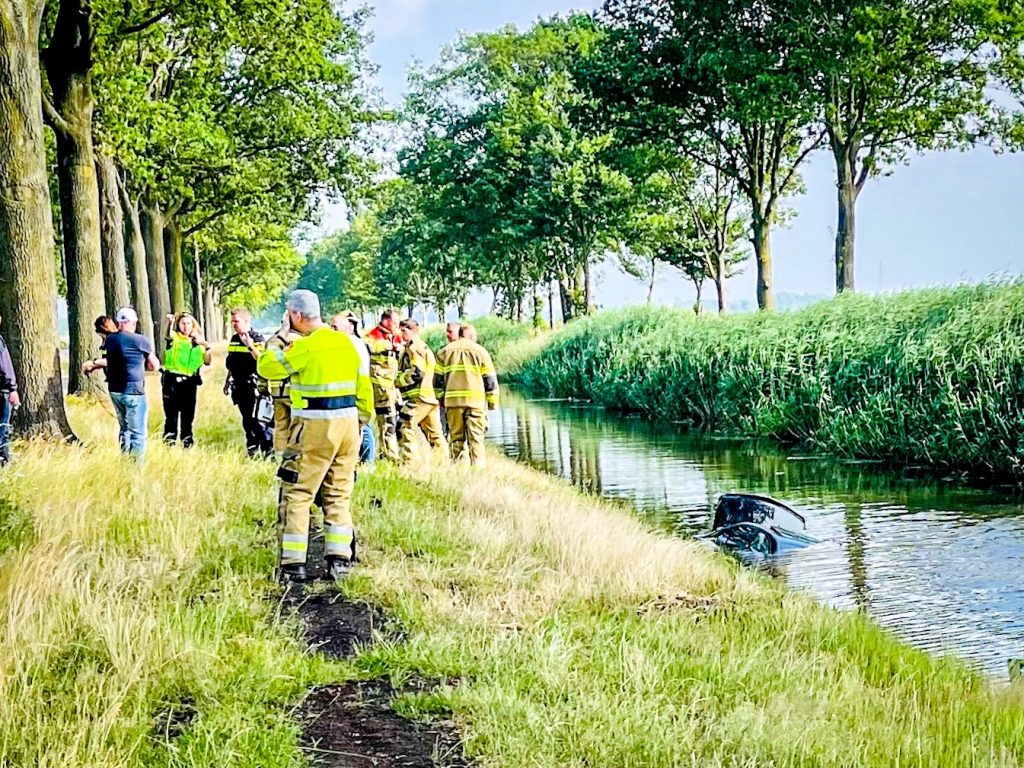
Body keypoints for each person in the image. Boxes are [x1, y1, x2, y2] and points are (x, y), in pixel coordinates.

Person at [258, 290, 373, 582]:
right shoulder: (348, 345)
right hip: (348, 427)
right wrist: (360, 424)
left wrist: (280, 336)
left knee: (299, 493)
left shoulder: (306, 347)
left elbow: (267, 366)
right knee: (338, 494)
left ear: (296, 315)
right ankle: (340, 562)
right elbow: (365, 393)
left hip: (313, 428)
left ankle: (293, 565)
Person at [83, 307, 160, 460]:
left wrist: (94, 364)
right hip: (134, 391)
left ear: (119, 322)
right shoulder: (141, 340)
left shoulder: (110, 340)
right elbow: (154, 366)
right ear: (134, 322)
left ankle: (125, 459)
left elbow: (110, 360)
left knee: (124, 428)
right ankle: (136, 469)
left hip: (115, 391)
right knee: (138, 433)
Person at [434, 322, 499, 468]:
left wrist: (441, 398)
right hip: (475, 403)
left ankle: (457, 468)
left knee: (456, 438)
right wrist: (492, 403)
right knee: (476, 439)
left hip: (452, 403)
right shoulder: (481, 352)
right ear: (470, 335)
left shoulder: (444, 352)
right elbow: (490, 381)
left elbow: (437, 381)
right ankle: (478, 470)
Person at [395, 318, 446, 462]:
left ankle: (410, 462)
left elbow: (417, 372)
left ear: (414, 331)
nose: (401, 333)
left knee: (404, 425)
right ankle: (443, 463)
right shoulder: (421, 347)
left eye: (404, 330)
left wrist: (397, 381)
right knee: (435, 434)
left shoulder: (414, 348)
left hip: (419, 397)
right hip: (429, 397)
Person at [330, 311, 376, 468]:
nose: (332, 330)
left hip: (356, 389)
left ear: (349, 327)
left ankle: (368, 461)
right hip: (352, 388)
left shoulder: (352, 343)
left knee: (363, 425)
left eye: (335, 327)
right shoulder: (351, 342)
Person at [225, 308, 273, 457]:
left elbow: (262, 361)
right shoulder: (234, 339)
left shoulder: (257, 338)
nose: (234, 324)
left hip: (254, 385)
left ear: (247, 322)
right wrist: (227, 382)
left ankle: (267, 449)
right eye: (232, 321)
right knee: (246, 419)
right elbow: (232, 362)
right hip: (239, 385)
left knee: (257, 420)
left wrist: (250, 345)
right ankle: (251, 447)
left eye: (237, 321)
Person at [161, 312, 211, 447]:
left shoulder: (198, 342)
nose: (185, 326)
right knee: (171, 416)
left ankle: (187, 442)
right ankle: (169, 443)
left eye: (188, 323)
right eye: (182, 323)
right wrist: (169, 323)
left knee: (188, 416)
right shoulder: (174, 338)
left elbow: (207, 362)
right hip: (172, 381)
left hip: (190, 383)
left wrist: (206, 346)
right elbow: (167, 336)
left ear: (193, 325)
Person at [364, 309, 403, 460]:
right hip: (379, 388)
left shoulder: (396, 336)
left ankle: (390, 453)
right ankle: (389, 457)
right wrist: (388, 346)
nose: (397, 326)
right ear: (386, 321)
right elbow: (369, 347)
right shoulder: (372, 336)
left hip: (392, 387)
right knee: (387, 422)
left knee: (396, 422)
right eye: (395, 323)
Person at [0, 315, 20, 465]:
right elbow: (4, 366)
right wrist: (12, 388)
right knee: (3, 427)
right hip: (2, 391)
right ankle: (4, 462)